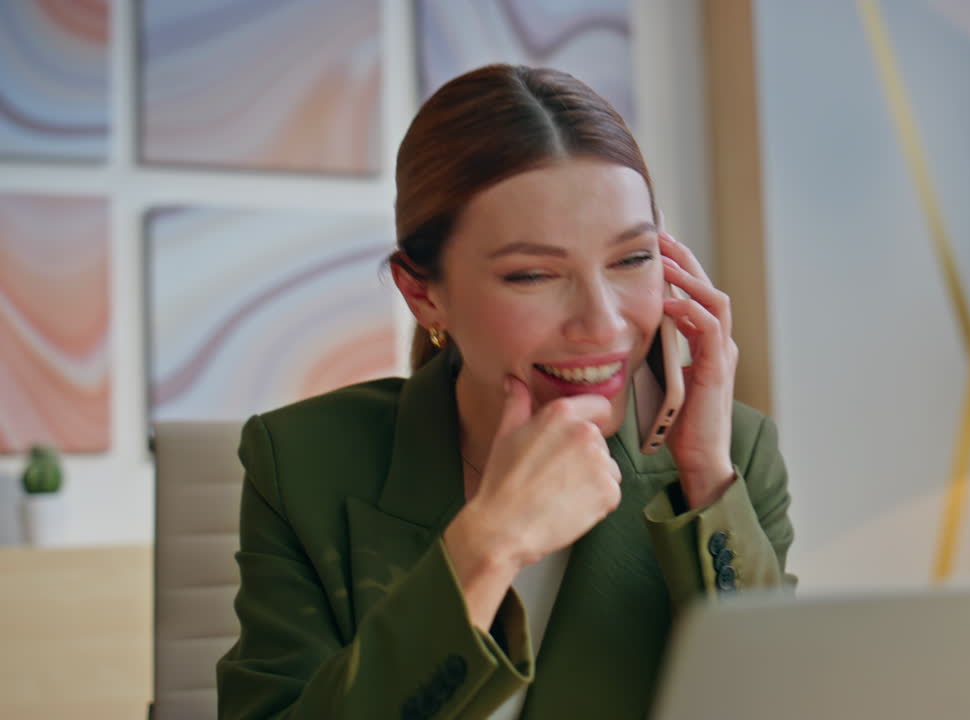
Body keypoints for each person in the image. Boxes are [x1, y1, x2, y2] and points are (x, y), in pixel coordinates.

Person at [216, 64, 795, 720]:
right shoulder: (303, 462)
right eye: (532, 275)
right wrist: (488, 547)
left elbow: (774, 703)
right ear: (424, 293)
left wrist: (706, 483)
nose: (603, 324)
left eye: (632, 260)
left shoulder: (731, 459)